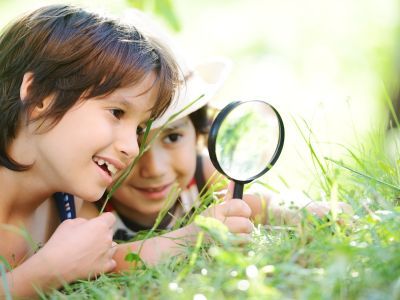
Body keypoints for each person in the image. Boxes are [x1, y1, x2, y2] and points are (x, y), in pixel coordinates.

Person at [79, 55, 352, 267]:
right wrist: (192, 236)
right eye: (138, 141)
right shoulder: (92, 200)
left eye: (172, 138)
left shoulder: (204, 173)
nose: (154, 169)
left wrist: (302, 210)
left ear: (199, 136)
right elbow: (106, 262)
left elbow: (254, 205)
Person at [0, 4, 186, 298]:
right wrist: (48, 270)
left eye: (139, 129)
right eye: (116, 112)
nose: (132, 147)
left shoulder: (66, 203)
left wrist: (198, 235)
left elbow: (107, 261)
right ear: (39, 98)